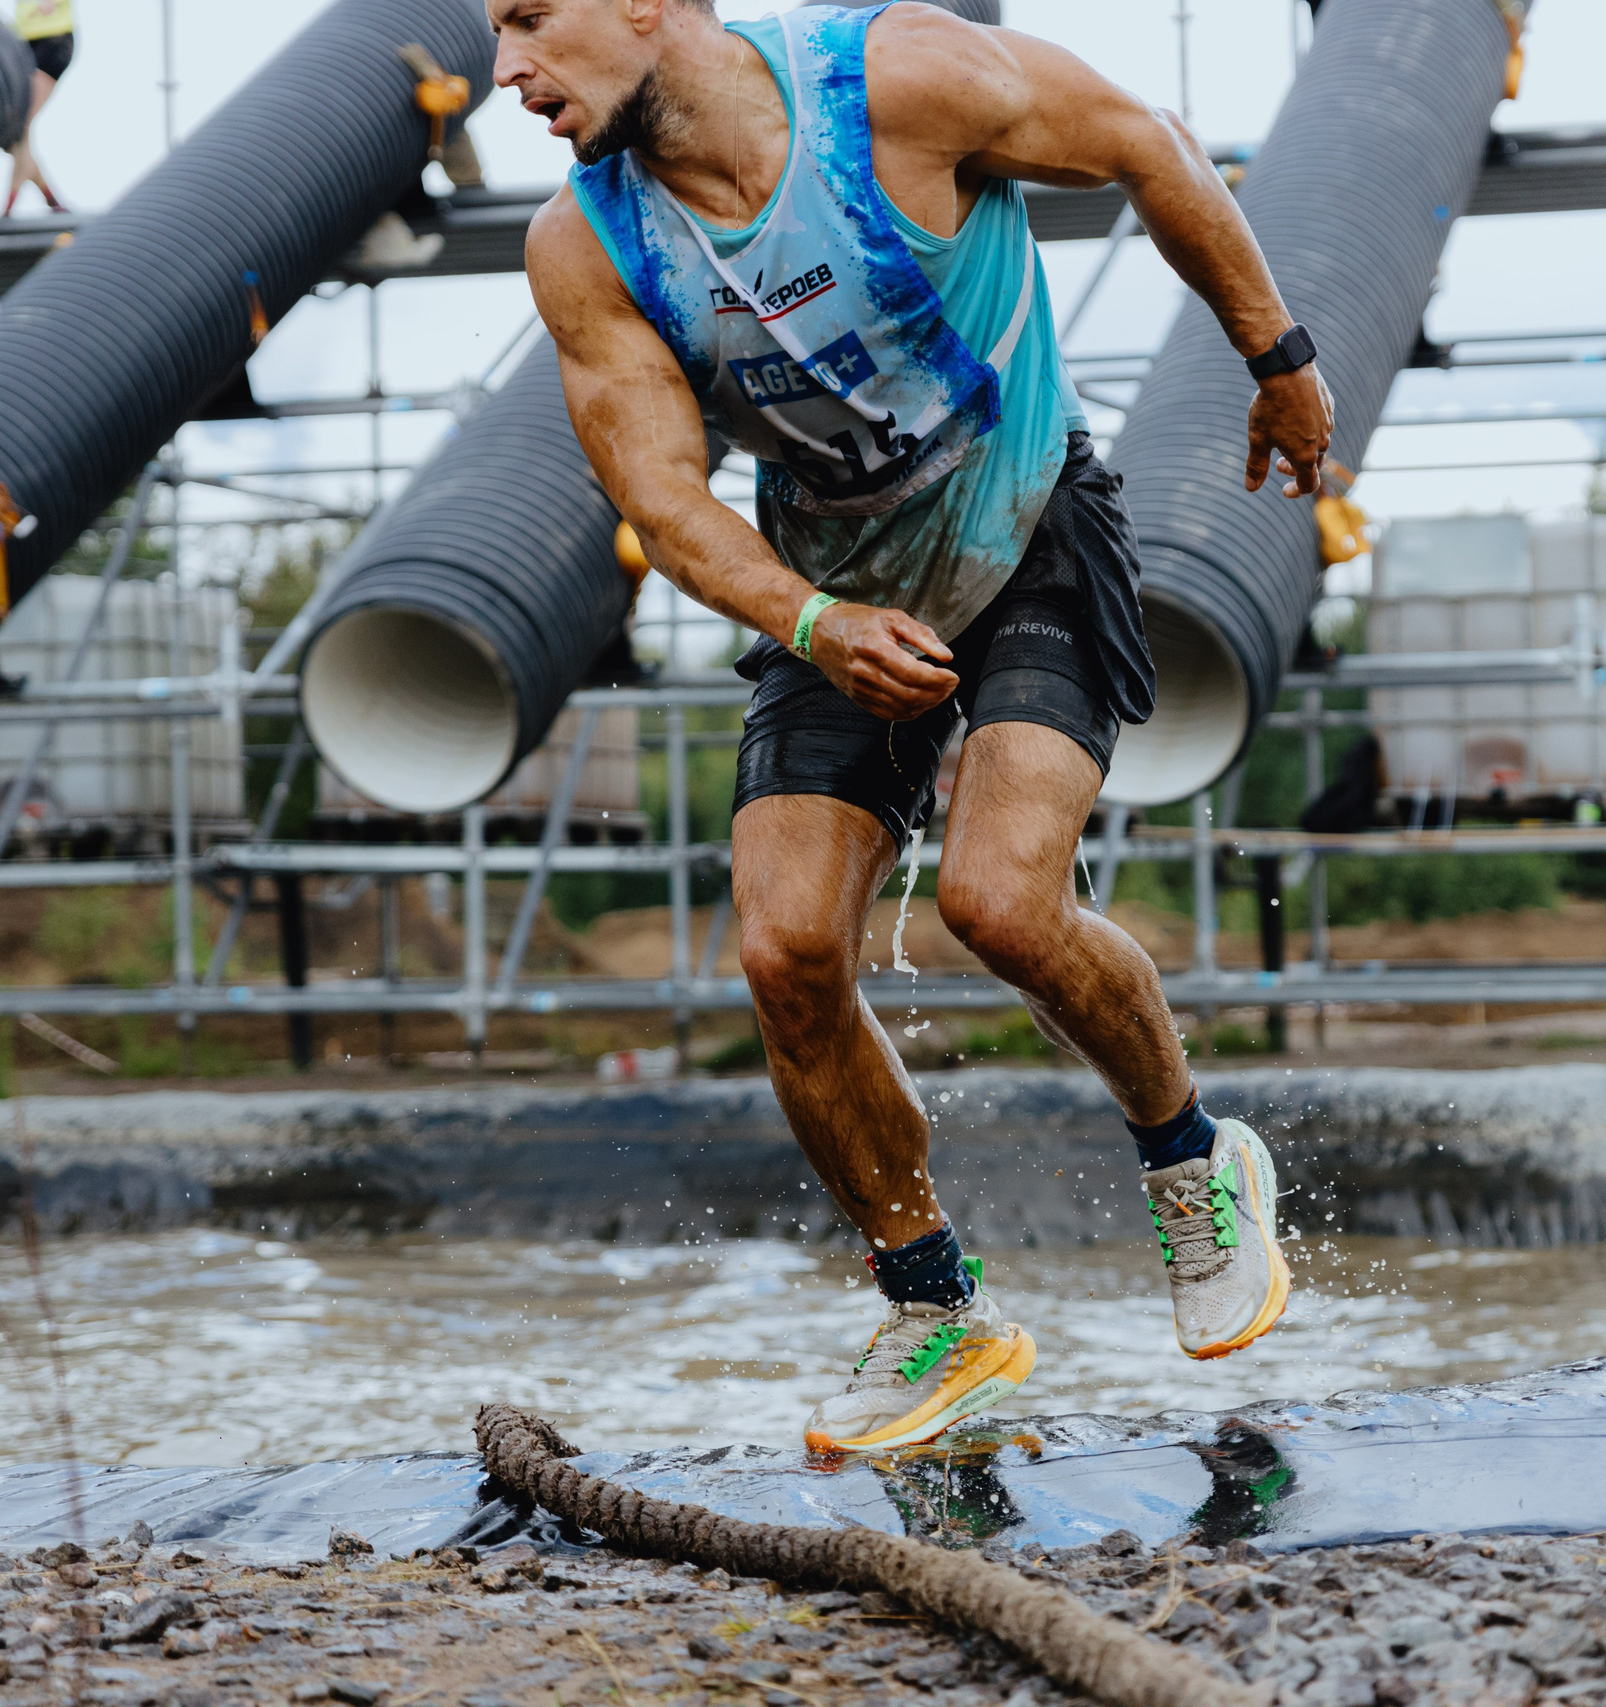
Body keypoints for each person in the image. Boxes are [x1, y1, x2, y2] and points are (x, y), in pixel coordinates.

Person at [497, 0, 1335, 1452]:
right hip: (840, 595)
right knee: (783, 948)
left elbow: (1145, 141)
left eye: (526, 19)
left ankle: (1195, 1161)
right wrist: (810, 621)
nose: (504, 73)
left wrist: (1279, 355)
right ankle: (935, 1306)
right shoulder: (587, 246)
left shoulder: (894, 82)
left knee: (999, 901)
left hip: (1029, 536)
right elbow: (665, 501)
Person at [5, 0, 74, 215]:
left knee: (20, 127)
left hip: (52, 38)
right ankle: (52, 200)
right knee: (12, 137)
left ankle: (7, 208)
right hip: (25, 44)